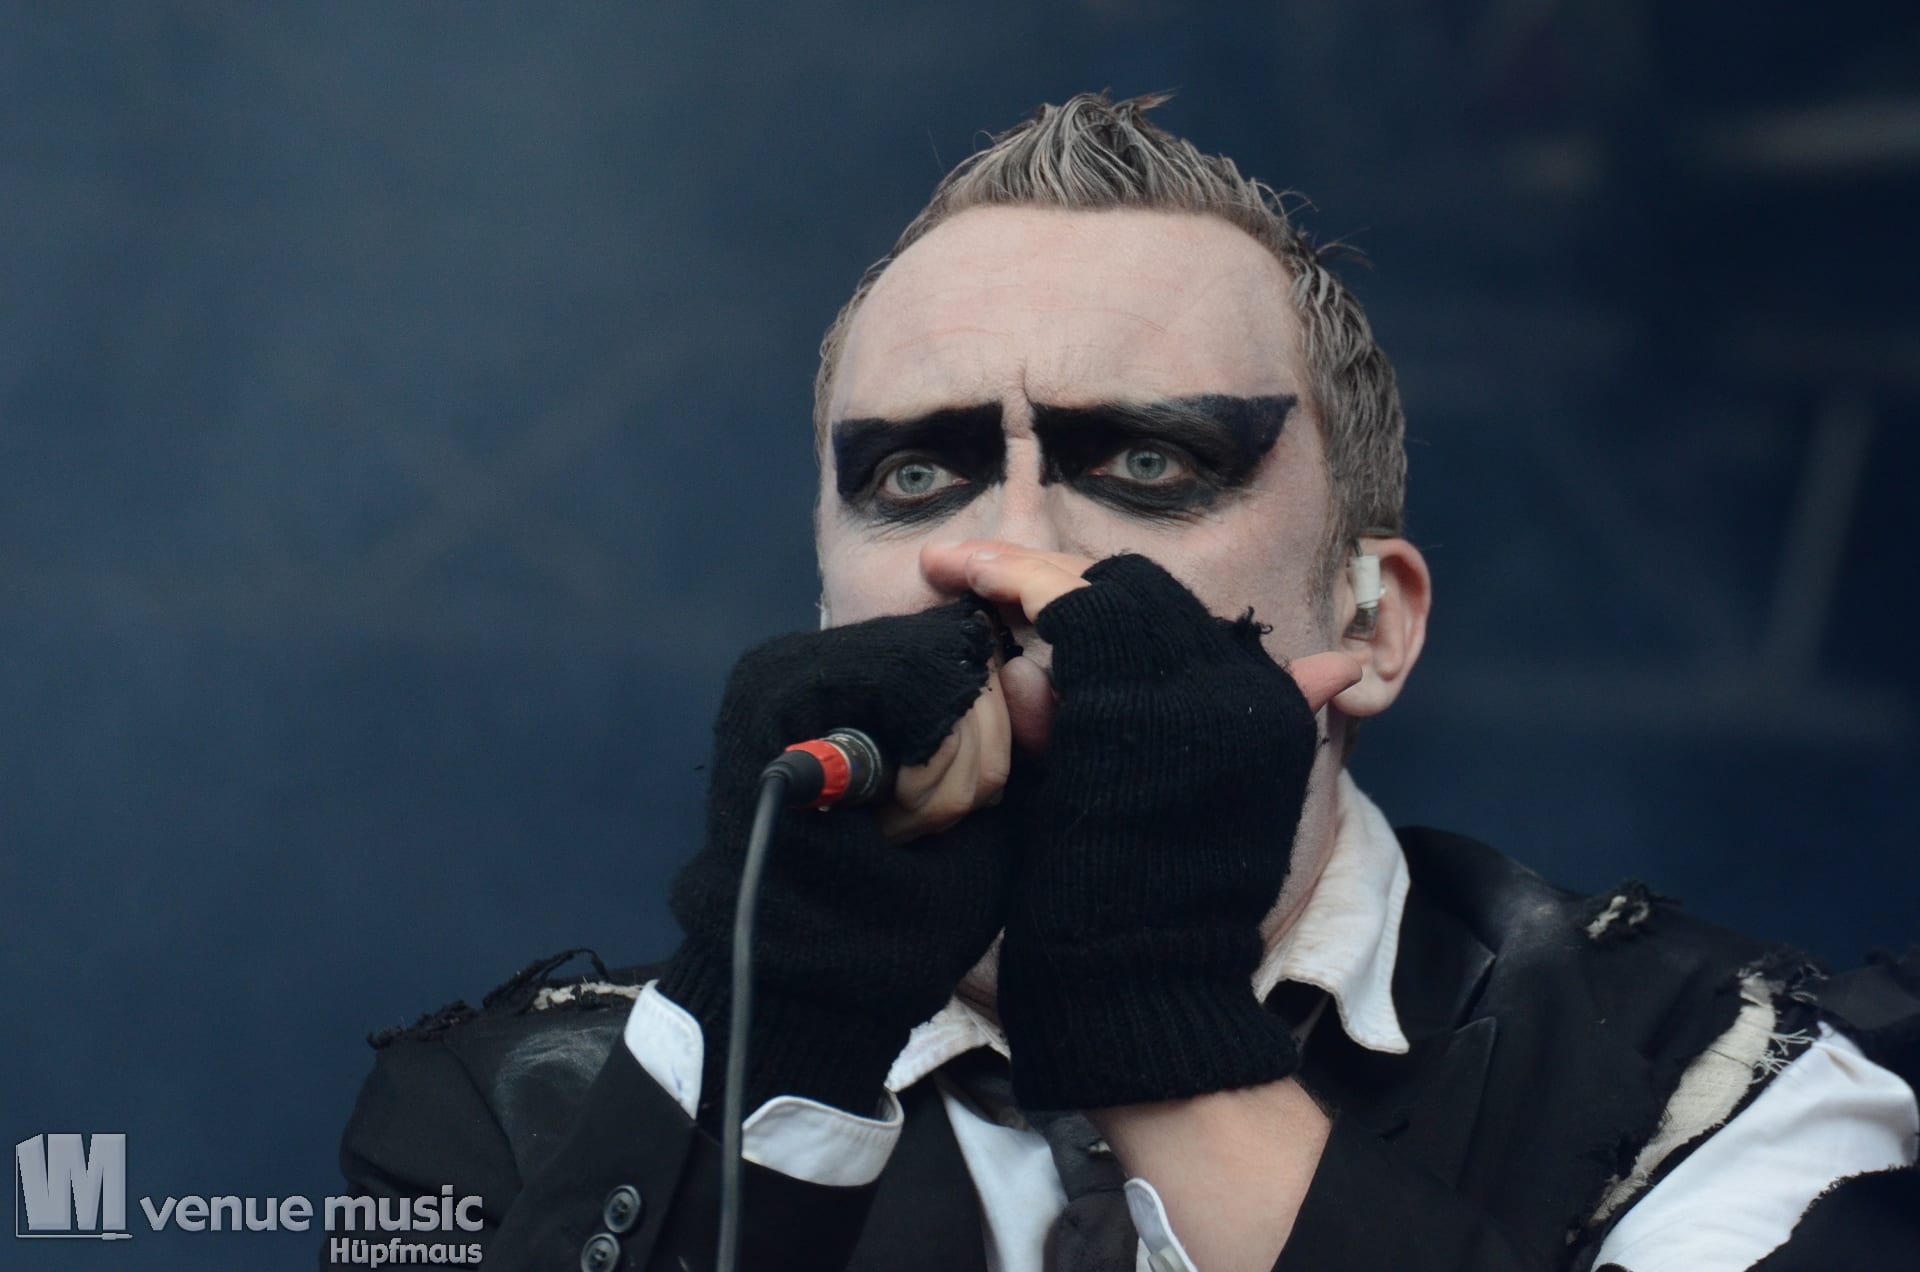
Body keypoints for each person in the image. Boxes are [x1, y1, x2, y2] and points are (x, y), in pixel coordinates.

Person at [334, 93, 1919, 1271]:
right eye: (913, 479)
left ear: (1374, 623)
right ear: (823, 598)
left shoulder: (1716, 1080)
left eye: (1150, 463)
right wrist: (783, 1027)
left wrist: (1154, 1020)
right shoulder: (516, 1108)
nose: (1004, 548)